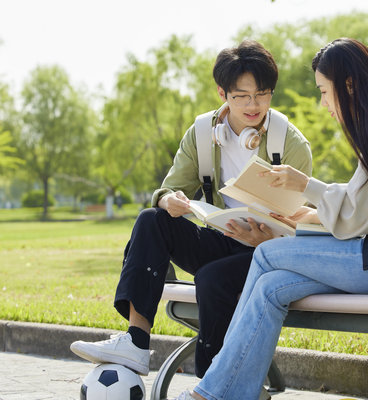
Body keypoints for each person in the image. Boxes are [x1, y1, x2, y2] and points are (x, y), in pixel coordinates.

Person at [172, 37, 368, 400]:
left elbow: (358, 217)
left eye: (323, 91)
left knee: (266, 255)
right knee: (270, 288)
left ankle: (214, 392)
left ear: (348, 85)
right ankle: (237, 390)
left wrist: (307, 186)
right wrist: (311, 214)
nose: (323, 102)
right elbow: (365, 207)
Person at [70, 39, 312, 384]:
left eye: (263, 93)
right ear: (222, 93)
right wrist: (168, 199)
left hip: (267, 253)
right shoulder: (201, 133)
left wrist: (265, 237)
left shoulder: (290, 143)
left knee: (212, 278)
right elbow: (171, 188)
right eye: (242, 95)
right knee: (152, 219)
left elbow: (298, 223)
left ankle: (215, 383)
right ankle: (136, 342)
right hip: (222, 237)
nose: (254, 104)